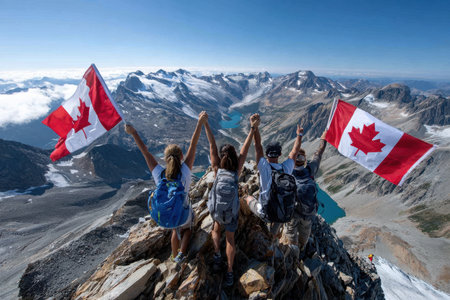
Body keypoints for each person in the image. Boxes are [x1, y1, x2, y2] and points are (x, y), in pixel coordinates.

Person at [124, 111, 207, 264]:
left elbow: (145, 152)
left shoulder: (159, 174)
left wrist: (133, 133)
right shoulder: (185, 170)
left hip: (166, 216)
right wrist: (200, 123)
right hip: (182, 212)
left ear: (165, 158)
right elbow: (193, 145)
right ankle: (182, 253)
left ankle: (173, 256)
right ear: (181, 156)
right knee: (187, 229)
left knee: (175, 229)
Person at [204, 112, 260, 287]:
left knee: (215, 228)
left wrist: (205, 124)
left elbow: (212, 144)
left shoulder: (216, 169)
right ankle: (229, 271)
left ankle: (216, 254)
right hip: (231, 213)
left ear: (221, 157)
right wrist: (252, 128)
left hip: (217, 212)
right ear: (234, 156)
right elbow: (245, 148)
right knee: (230, 239)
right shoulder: (236, 170)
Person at [245, 114, 304, 237]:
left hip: (265, 214)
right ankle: (274, 235)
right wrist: (299, 135)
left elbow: (257, 146)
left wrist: (255, 127)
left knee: (247, 198)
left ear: (266, 155)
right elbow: (295, 151)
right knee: (278, 209)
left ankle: (252, 227)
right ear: (280, 154)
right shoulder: (286, 168)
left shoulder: (264, 167)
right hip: (283, 214)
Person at [285, 129, 328, 258]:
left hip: (293, 212)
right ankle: (302, 247)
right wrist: (323, 140)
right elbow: (318, 154)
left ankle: (293, 252)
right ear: (304, 161)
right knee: (305, 231)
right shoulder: (310, 170)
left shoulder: (288, 172)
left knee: (291, 230)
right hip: (308, 213)